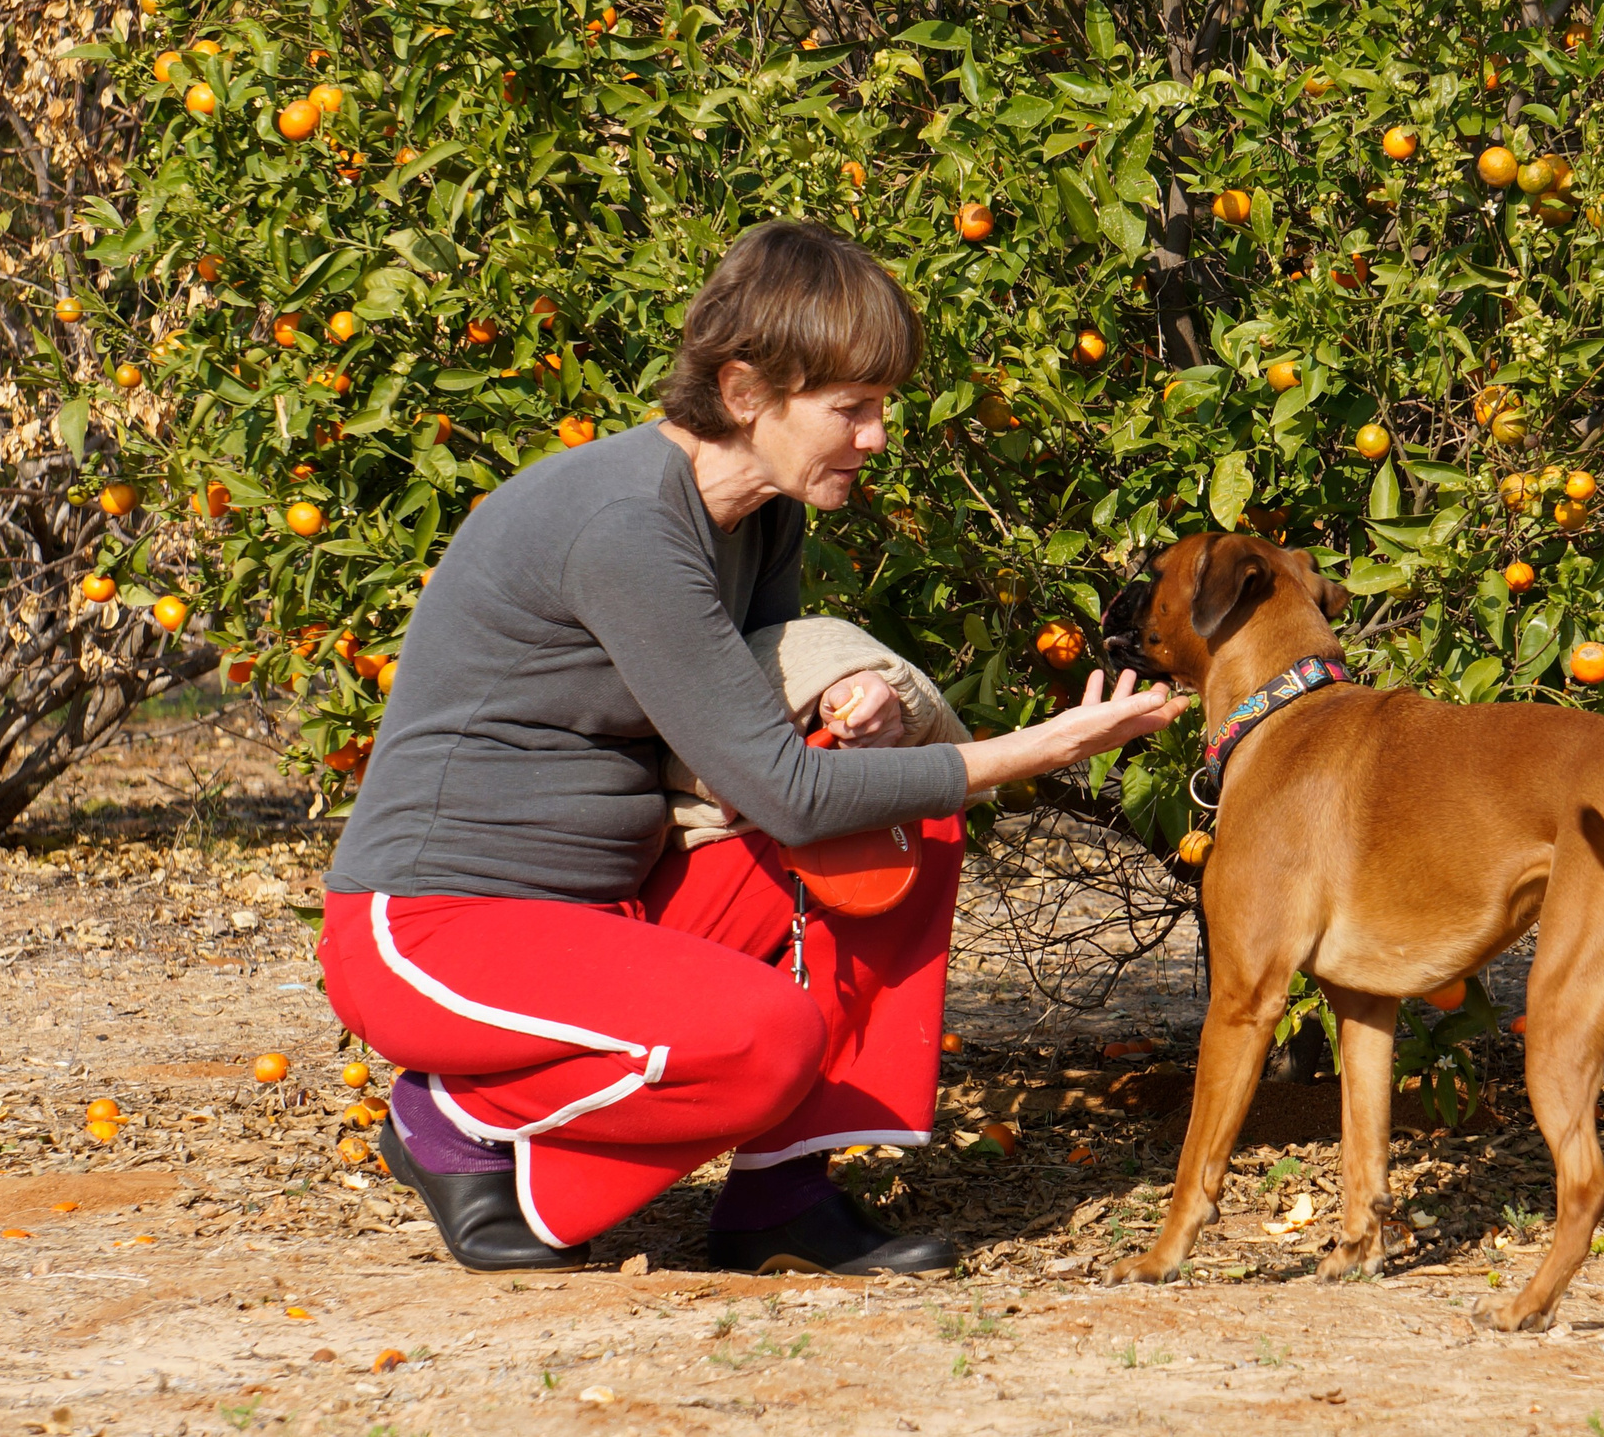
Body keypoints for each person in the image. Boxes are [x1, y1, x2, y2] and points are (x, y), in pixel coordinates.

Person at [313, 220, 1186, 1275]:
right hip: (435, 929)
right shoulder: (626, 525)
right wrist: (1032, 749)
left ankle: (782, 1195)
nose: (875, 437)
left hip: (611, 906)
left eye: (881, 408)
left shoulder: (763, 517)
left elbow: (753, 724)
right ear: (743, 393)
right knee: (764, 1037)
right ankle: (449, 1119)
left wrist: (855, 703)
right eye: (850, 410)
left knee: (897, 823)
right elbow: (787, 796)